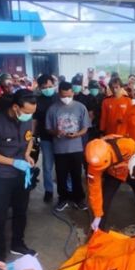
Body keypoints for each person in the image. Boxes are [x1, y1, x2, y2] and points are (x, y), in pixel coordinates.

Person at [0, 90, 38, 260]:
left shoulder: (27, 120)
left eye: (32, 113)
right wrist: (12, 162)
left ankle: (17, 244)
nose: (30, 116)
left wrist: (27, 155)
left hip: (21, 175)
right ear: (15, 107)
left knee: (21, 211)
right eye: (27, 112)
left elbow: (29, 139)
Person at [85, 135, 135, 232]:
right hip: (114, 174)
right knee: (104, 200)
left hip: (134, 171)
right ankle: (98, 231)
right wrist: (97, 214)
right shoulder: (94, 163)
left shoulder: (126, 145)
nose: (99, 170)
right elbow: (95, 191)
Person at [47, 82, 90, 212]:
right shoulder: (53, 109)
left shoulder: (80, 107)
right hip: (60, 149)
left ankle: (79, 199)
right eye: (63, 95)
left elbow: (85, 127)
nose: (66, 97)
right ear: (59, 93)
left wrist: (77, 134)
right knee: (61, 175)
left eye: (68, 94)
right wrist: (56, 132)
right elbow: (48, 128)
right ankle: (63, 198)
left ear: (72, 92)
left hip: (76, 148)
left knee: (76, 174)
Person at [33, 74, 57, 203]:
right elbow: (35, 120)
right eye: (45, 87)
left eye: (50, 86)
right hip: (45, 137)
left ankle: (67, 189)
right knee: (47, 166)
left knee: (63, 165)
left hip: (61, 138)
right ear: (40, 88)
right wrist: (32, 135)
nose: (48, 88)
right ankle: (49, 190)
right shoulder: (37, 101)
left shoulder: (60, 98)